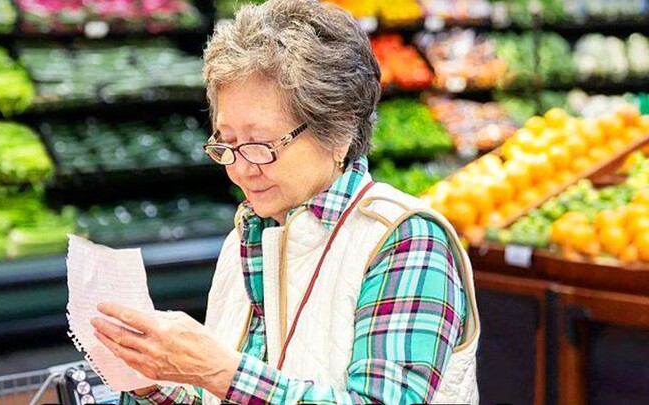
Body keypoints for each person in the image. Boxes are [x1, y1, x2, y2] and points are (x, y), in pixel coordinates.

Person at [91, 0, 480, 404]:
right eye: (226, 143)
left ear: (340, 130)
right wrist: (151, 382)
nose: (240, 168)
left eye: (261, 145)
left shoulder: (405, 241)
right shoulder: (246, 238)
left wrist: (221, 372)